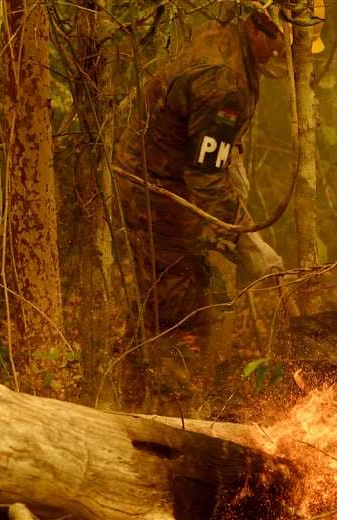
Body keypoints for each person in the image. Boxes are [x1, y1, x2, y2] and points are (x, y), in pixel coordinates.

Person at [114, 10, 288, 388]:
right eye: (279, 41)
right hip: (159, 196)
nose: (282, 52)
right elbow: (205, 175)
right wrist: (243, 238)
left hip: (161, 184)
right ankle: (169, 415)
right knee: (186, 315)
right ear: (257, 27)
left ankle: (129, 397)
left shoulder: (223, 39)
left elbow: (211, 156)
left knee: (159, 302)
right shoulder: (223, 80)